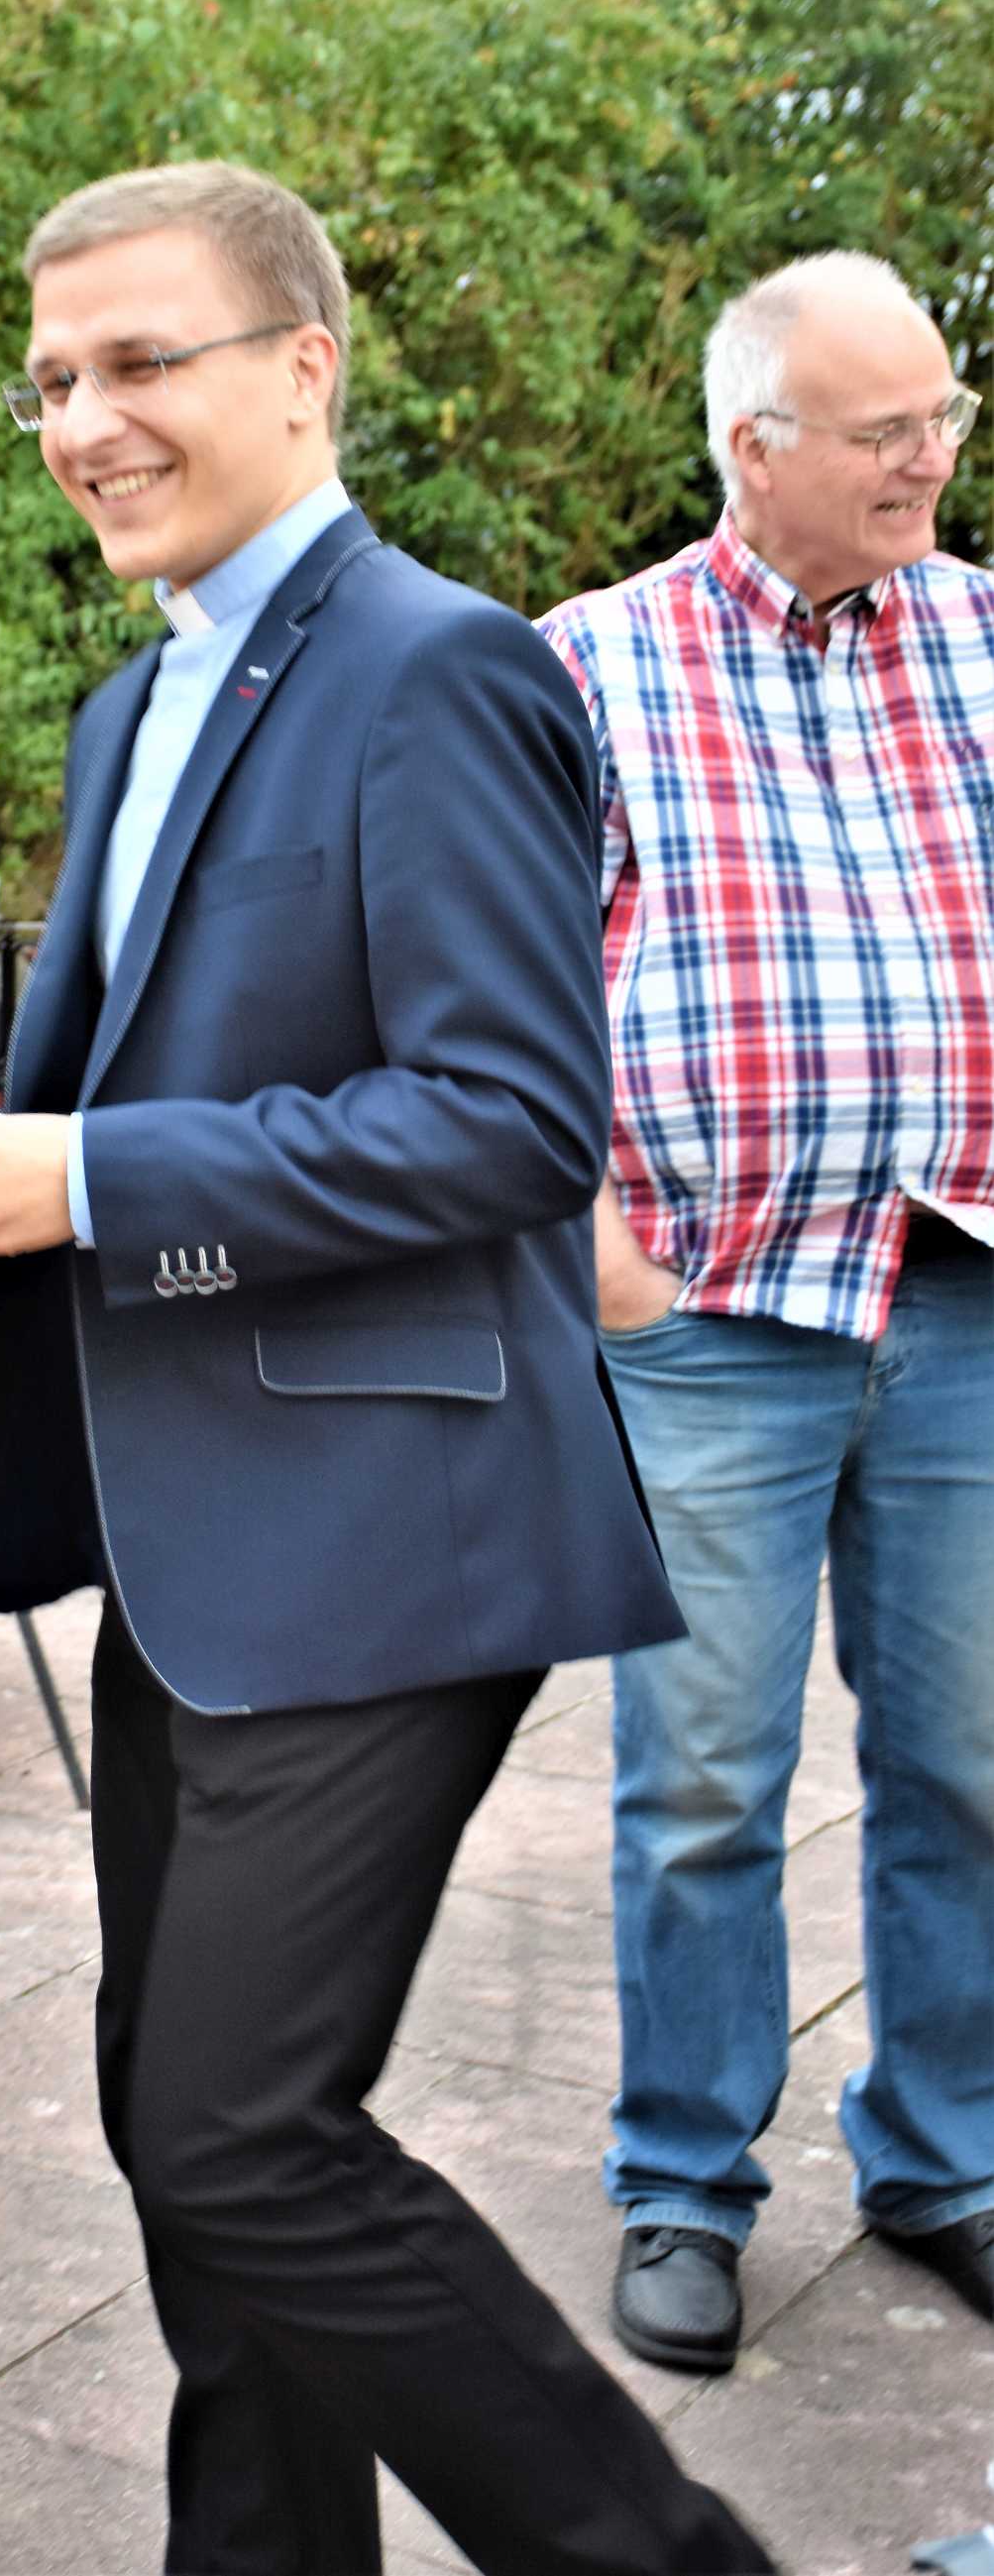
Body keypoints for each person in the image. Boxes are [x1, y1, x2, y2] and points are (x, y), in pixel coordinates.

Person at [0, 164, 773, 2575]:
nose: (83, 419)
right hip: (180, 1533)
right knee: (180, 2136)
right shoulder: (133, 702)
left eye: (139, 360)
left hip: (385, 1531)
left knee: (241, 2133)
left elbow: (510, 1119)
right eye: (51, 379)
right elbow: (194, 1057)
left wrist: (84, 1174)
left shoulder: (438, 667)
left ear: (301, 369)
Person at [538, 251, 993, 2376]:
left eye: (943, 416)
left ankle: (947, 2155)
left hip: (963, 1288)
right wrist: (588, 1245)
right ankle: (682, 2176)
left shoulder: (983, 639)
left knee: (966, 1765)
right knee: (704, 1780)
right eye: (887, 428)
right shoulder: (589, 666)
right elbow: (491, 988)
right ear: (754, 445)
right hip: (710, 1305)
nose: (931, 457)